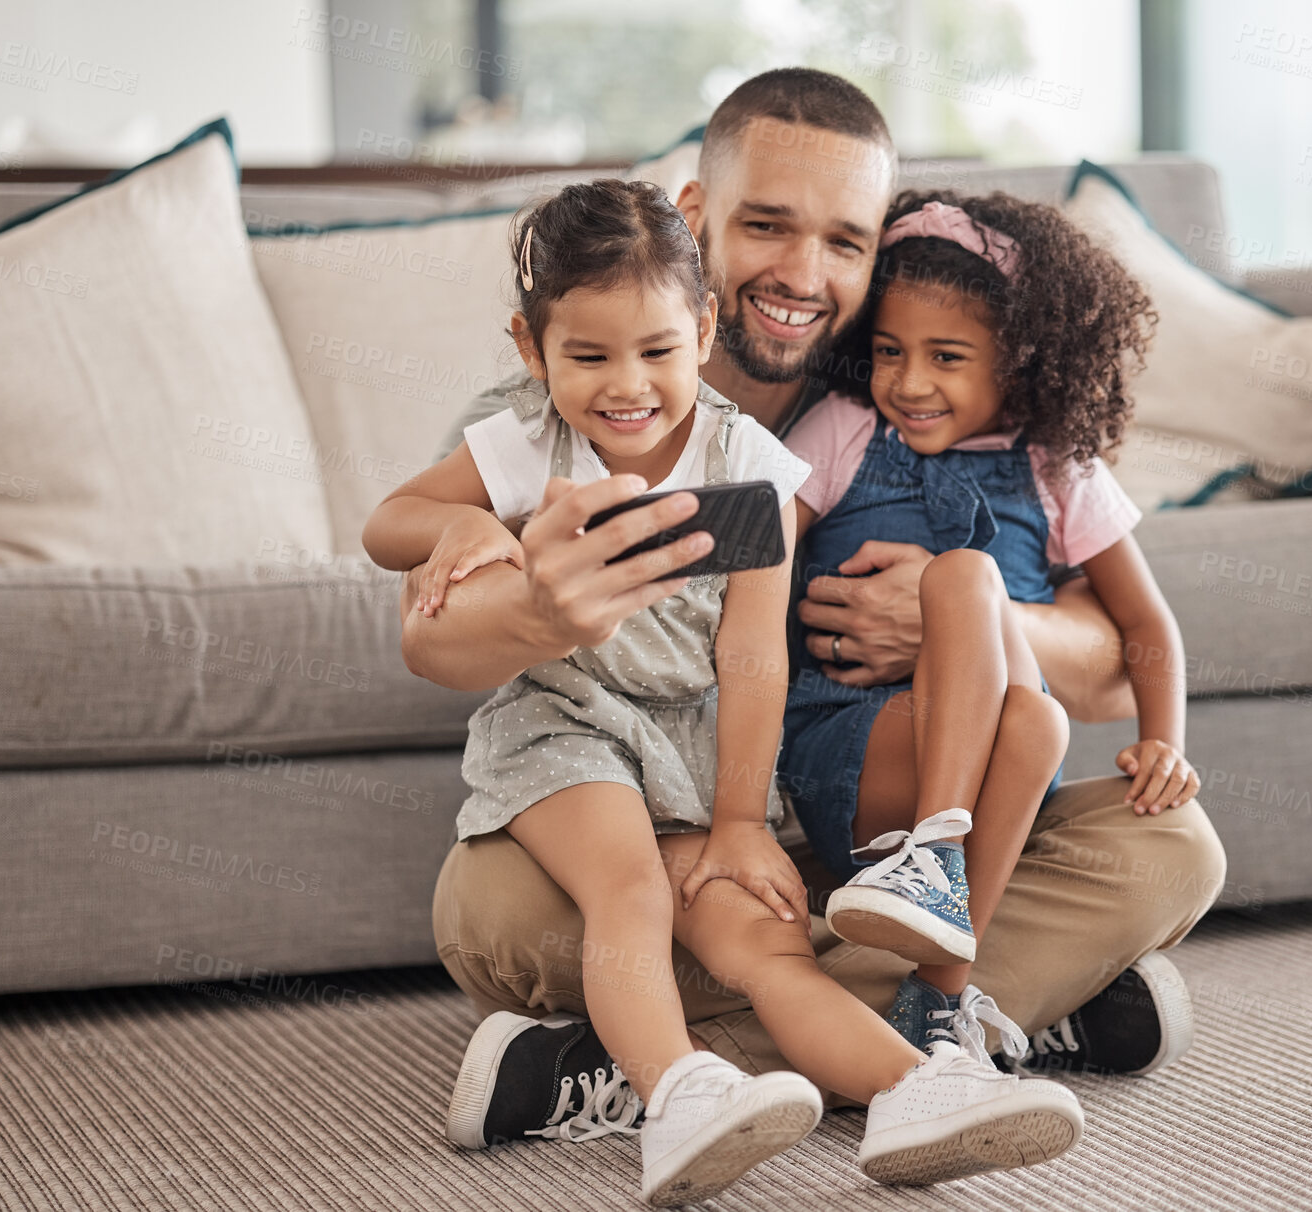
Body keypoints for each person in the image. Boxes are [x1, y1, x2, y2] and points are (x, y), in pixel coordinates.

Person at [405, 68, 1227, 1151]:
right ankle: (985, 1017)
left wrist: (962, 626)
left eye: (844, 240)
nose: (803, 274)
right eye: (766, 227)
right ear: (696, 222)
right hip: (667, 826)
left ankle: (617, 1068)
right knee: (498, 909)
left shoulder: (905, 386)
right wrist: (541, 604)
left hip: (876, 836)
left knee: (1170, 845)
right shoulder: (591, 388)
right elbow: (430, 635)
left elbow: (1117, 659)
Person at [363, 178, 1085, 1203]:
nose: (627, 385)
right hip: (565, 725)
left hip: (693, 745)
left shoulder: (746, 459)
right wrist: (468, 524)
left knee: (762, 940)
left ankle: (917, 1088)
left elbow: (754, 653)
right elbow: (386, 523)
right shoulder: (524, 440)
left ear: (702, 328)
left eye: (656, 351)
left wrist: (743, 821)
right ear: (531, 347)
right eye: (588, 356)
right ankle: (678, 1094)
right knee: (633, 888)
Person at [780, 187, 1200, 1062]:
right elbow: (757, 569)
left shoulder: (1057, 467)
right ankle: (947, 905)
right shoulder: (844, 427)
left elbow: (1146, 623)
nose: (910, 381)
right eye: (889, 351)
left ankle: (934, 1000)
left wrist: (1165, 742)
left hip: (1006, 783)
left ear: (1020, 361)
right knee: (968, 574)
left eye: (948, 356)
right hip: (860, 757)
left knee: (1040, 715)